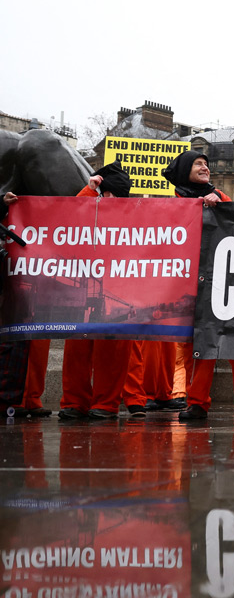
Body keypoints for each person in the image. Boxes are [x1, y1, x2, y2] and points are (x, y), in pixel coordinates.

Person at [165, 151, 234, 420]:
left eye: (206, 164)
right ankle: (196, 402)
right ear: (185, 170)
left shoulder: (220, 197)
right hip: (191, 285)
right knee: (199, 346)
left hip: (227, 282)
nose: (205, 167)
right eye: (198, 164)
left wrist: (220, 200)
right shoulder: (172, 204)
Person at [57, 162, 139, 420]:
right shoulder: (88, 205)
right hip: (84, 290)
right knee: (76, 350)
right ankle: (73, 402)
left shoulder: (137, 218)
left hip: (119, 292)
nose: (108, 199)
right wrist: (89, 191)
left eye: (112, 195)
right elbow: (67, 219)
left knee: (112, 353)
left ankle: (105, 404)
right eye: (106, 194)